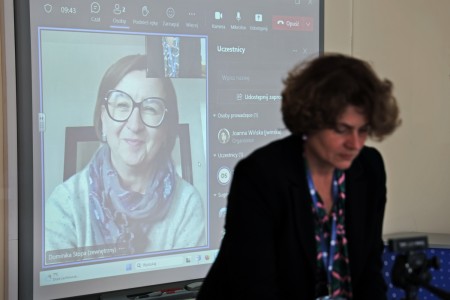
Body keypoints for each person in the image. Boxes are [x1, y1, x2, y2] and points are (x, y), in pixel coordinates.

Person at [197, 53, 401, 300]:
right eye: (341, 129)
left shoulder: (369, 168)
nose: (355, 143)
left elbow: (370, 270)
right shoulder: (260, 175)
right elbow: (255, 289)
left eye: (363, 130)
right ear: (311, 119)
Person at [45, 54, 206, 262]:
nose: (135, 125)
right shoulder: (65, 204)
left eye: (150, 109)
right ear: (103, 118)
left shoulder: (187, 204)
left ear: (167, 128)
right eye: (122, 105)